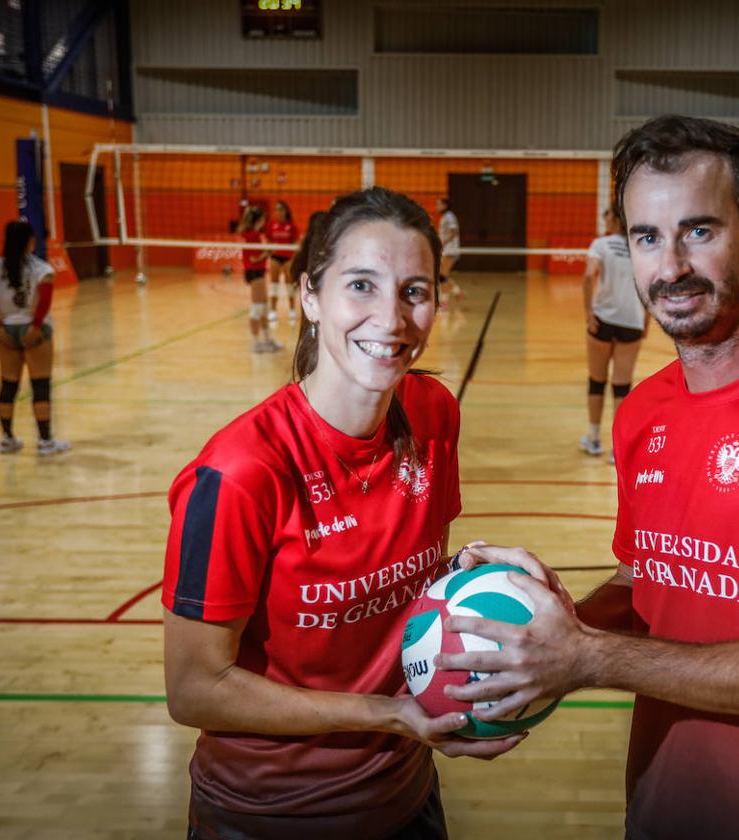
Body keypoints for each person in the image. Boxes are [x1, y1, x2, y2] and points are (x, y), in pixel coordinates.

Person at [436, 115, 739, 839]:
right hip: (661, 808)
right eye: (647, 237)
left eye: (699, 231)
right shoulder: (643, 414)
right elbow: (650, 582)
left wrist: (588, 659)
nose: (671, 267)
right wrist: (544, 629)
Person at [162, 187, 521, 840]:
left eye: (416, 290)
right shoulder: (240, 473)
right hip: (269, 816)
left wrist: (481, 576)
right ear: (308, 296)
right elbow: (193, 689)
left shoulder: (433, 411)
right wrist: (385, 715)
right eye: (361, 285)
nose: (392, 318)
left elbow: (410, 576)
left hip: (406, 794)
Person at [0, 220, 71, 456]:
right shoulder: (42, 270)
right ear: (30, 241)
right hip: (34, 331)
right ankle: (45, 441)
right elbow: (45, 301)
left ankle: (7, 439)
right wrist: (36, 327)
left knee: (9, 385)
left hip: (7, 330)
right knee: (40, 385)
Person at [580, 207, 648, 462]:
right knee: (622, 387)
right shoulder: (642, 245)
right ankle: (617, 450)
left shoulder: (600, 244)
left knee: (596, 381)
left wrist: (588, 313)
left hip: (603, 320)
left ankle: (594, 438)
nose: (603, 220)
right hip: (632, 322)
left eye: (606, 216)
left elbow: (588, 276)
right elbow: (651, 285)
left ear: (614, 219)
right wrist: (647, 320)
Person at [237, 205, 282, 353]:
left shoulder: (251, 233)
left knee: (263, 307)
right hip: (254, 272)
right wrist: (267, 252)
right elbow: (253, 258)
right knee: (257, 309)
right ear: (259, 219)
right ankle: (256, 343)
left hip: (257, 272)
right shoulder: (252, 235)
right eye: (263, 218)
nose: (265, 221)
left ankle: (267, 340)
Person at [266, 200, 300, 326]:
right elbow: (268, 240)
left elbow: (296, 242)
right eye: (276, 209)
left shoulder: (291, 226)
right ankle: (273, 310)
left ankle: (292, 310)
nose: (278, 212)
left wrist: (295, 256)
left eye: (281, 209)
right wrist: (268, 250)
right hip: (275, 256)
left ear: (286, 211)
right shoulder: (271, 225)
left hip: (288, 257)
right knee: (273, 284)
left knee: (289, 283)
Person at [435, 197, 463, 305]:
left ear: (445, 206)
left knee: (442, 276)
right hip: (446, 250)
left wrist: (444, 242)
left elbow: (455, 231)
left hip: (451, 250)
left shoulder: (450, 216)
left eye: (439, 205)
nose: (437, 207)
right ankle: (458, 291)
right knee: (442, 276)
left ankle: (444, 301)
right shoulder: (445, 217)